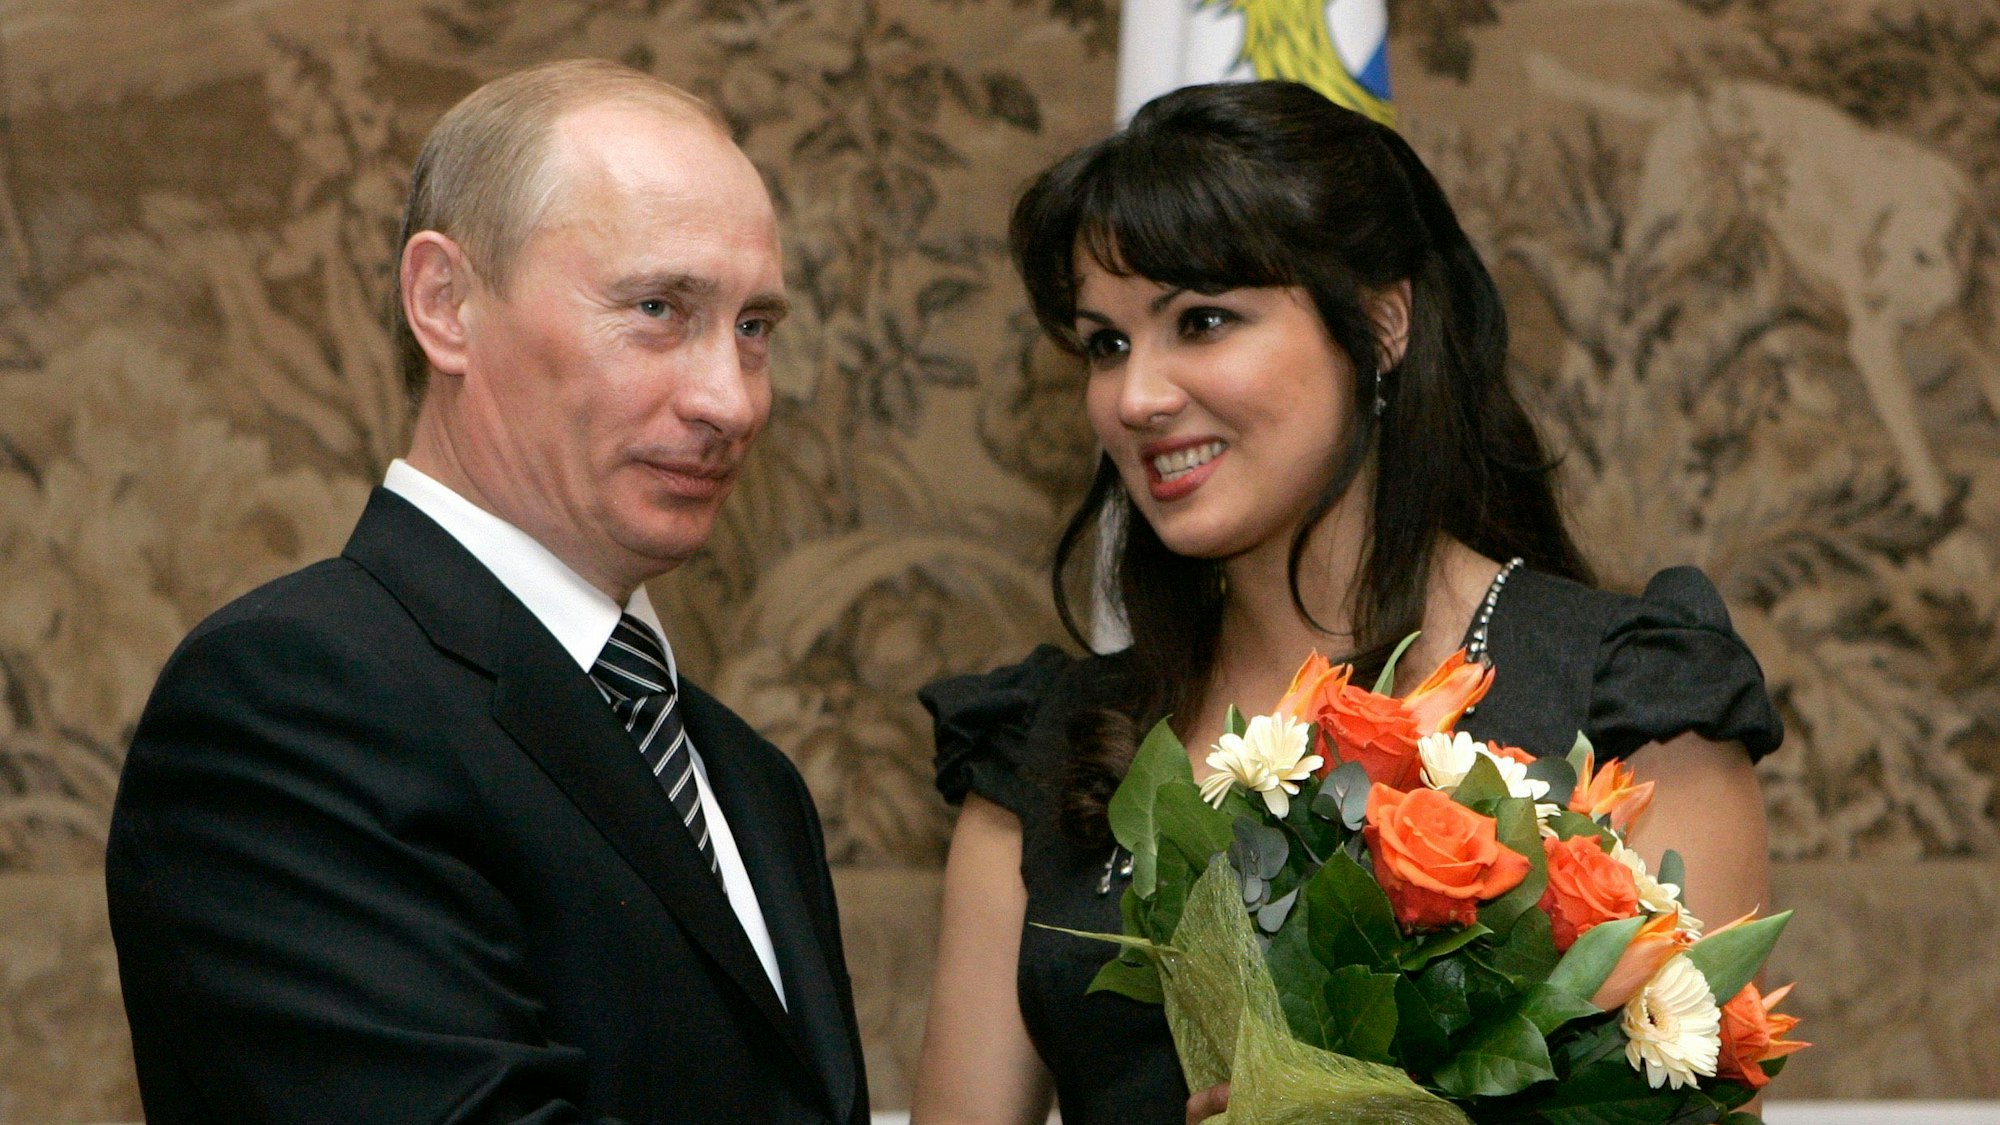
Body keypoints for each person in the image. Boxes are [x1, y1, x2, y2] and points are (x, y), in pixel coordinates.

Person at [909, 81, 1781, 1125]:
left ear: (1379, 322)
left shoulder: (1632, 696)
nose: (1136, 397)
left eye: (1202, 321)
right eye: (1107, 343)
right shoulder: (1043, 745)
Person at [105, 59, 867, 1125]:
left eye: (754, 328)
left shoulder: (746, 777)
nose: (728, 400)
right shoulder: (289, 699)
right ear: (445, 303)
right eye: (658, 308)